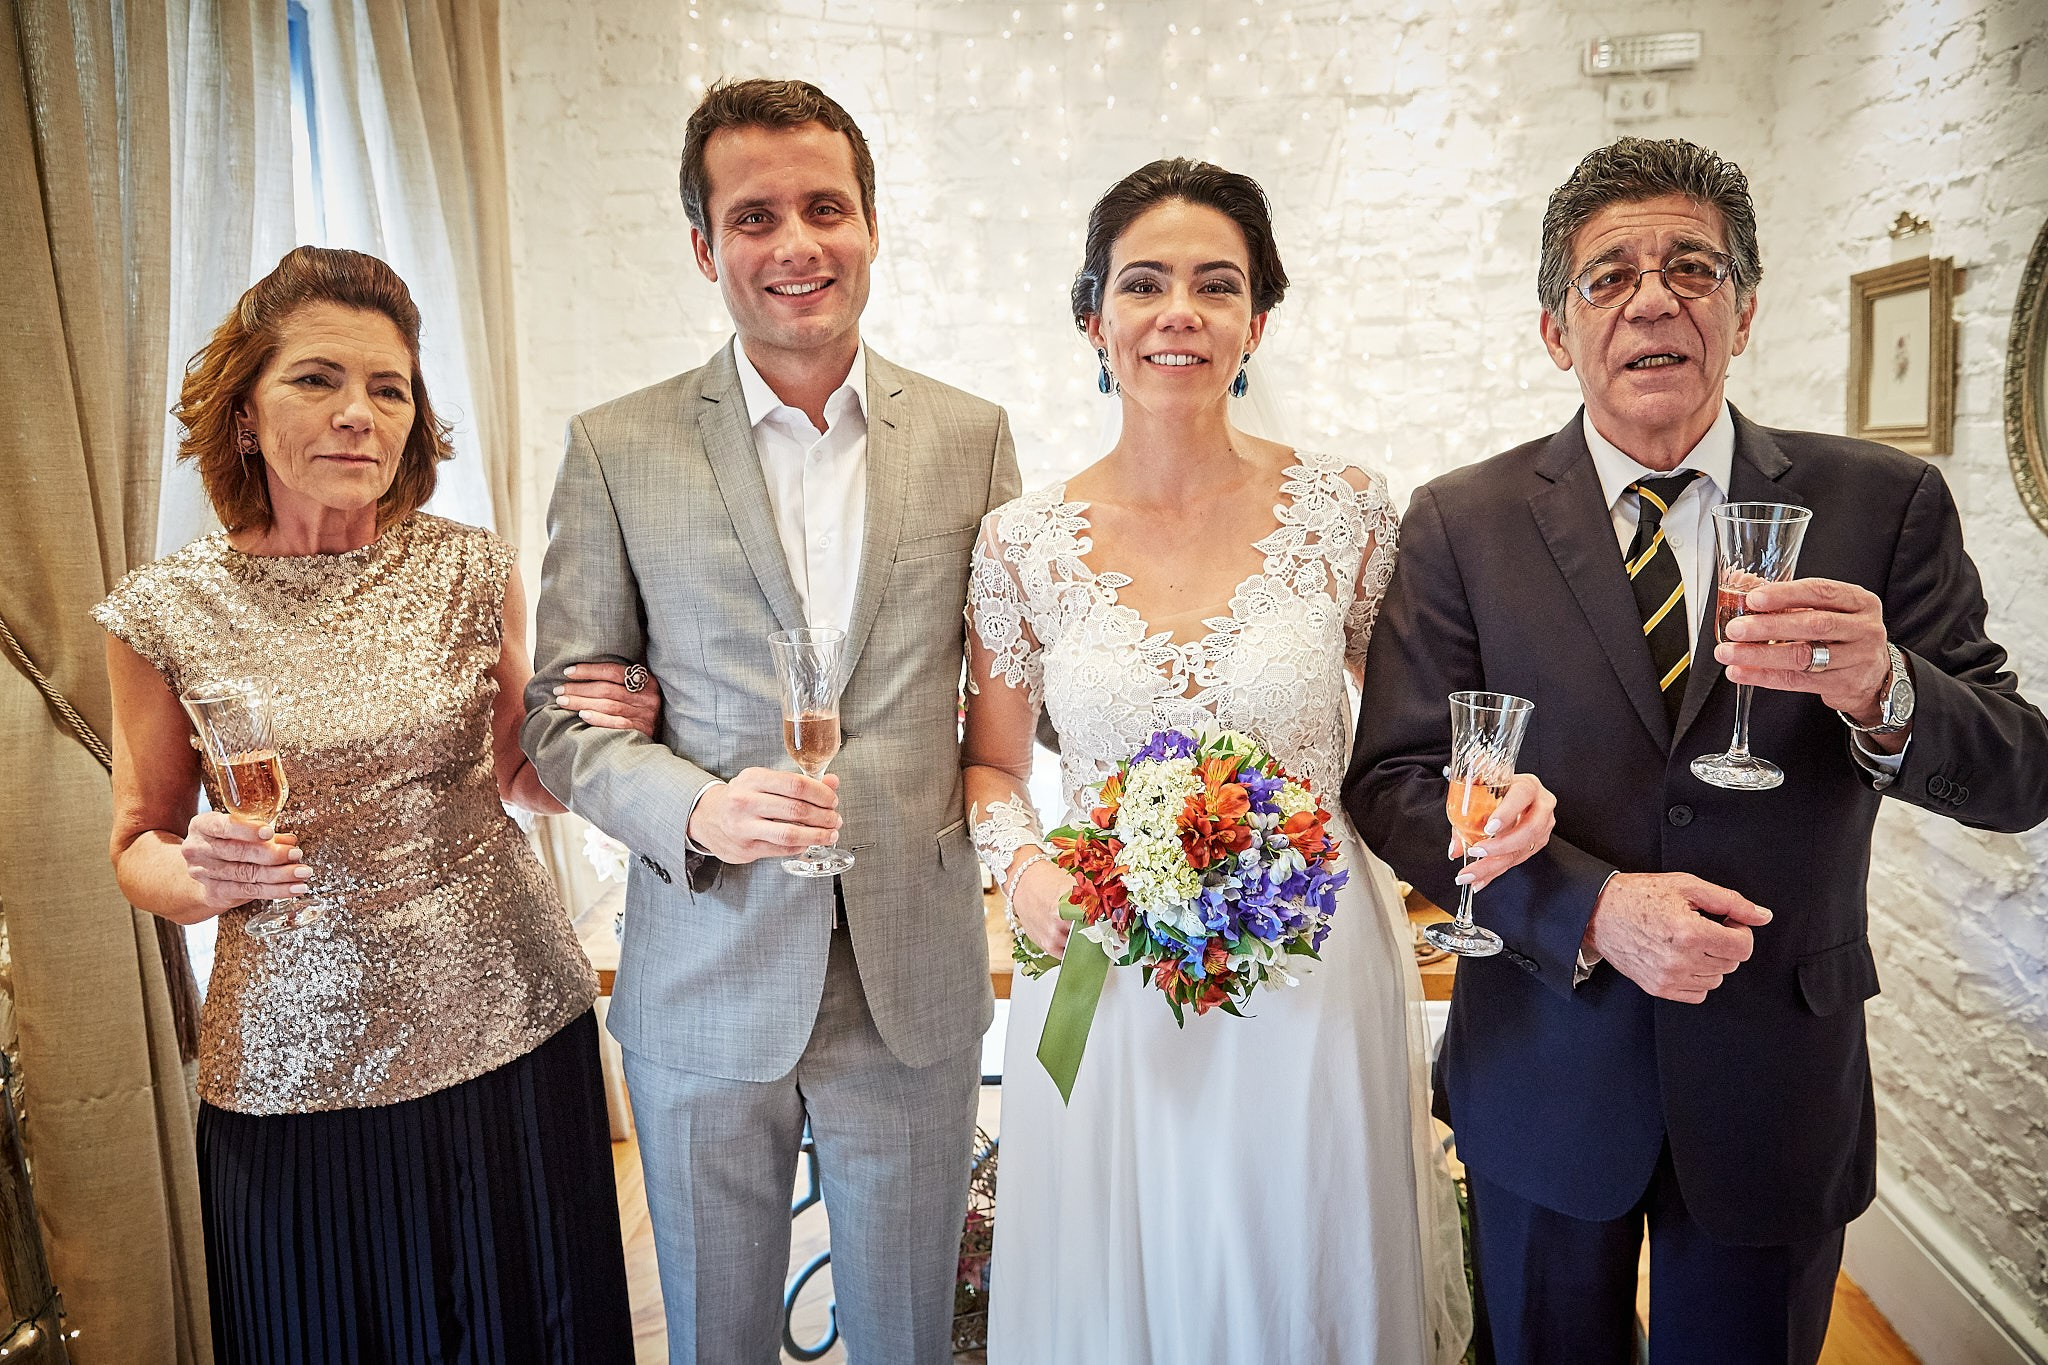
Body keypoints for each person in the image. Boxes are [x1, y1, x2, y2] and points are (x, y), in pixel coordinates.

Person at [1344, 137, 2048, 1365]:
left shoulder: (1882, 505)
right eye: (1606, 275)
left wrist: (1885, 690)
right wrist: (1593, 908)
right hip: (1542, 1063)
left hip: (1773, 1068)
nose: (1652, 297)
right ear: (1557, 331)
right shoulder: (1461, 521)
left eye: (1691, 268)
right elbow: (1397, 781)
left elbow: (2016, 772)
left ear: (1743, 308)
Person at [962, 157, 1556, 1364]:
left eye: (1213, 284)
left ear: (1254, 324)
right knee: (1125, 1263)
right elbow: (989, 770)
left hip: (1308, 956)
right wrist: (1029, 878)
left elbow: (1414, 734)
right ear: (1095, 319)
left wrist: (1489, 793)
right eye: (1143, 283)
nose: (1177, 310)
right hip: (1103, 965)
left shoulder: (1341, 510)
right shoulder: (1020, 543)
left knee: (1295, 1249)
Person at [521, 78, 1020, 1365]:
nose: (794, 243)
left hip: (909, 979)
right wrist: (695, 805)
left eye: (823, 207)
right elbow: (562, 721)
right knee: (715, 1342)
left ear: (869, 225)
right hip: (701, 973)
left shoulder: (970, 439)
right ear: (704, 247)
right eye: (753, 217)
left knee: (912, 1339)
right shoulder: (616, 446)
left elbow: (1016, 679)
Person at [97, 245, 652, 1363]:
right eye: (316, 380)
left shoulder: (468, 570)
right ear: (245, 415)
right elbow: (137, 844)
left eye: (387, 389)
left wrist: (618, 731)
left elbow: (519, 776)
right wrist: (195, 872)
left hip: (510, 1031)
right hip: (291, 1072)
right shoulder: (161, 612)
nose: (357, 413)